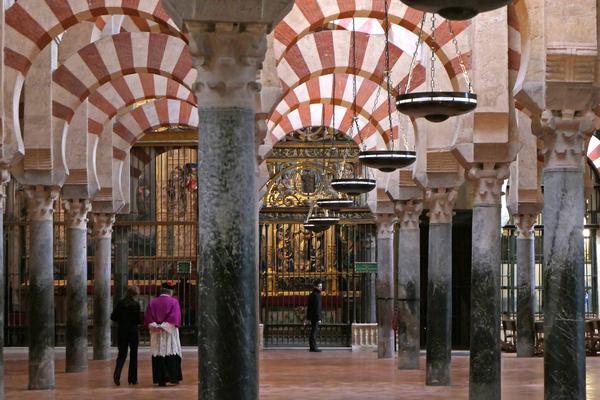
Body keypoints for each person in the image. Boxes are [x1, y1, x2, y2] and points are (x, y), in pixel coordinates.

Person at [144, 281, 183, 386]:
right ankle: (173, 378)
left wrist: (156, 326)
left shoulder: (152, 302)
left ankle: (161, 379)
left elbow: (148, 317)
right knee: (171, 352)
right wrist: (165, 326)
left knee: (159, 354)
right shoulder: (174, 302)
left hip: (156, 332)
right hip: (169, 332)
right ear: (170, 292)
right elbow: (175, 317)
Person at [111, 285, 141, 386]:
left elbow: (113, 316)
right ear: (135, 294)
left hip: (122, 332)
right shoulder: (136, 305)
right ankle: (132, 379)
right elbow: (138, 320)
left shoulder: (120, 303)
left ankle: (117, 375)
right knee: (134, 355)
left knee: (122, 355)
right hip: (133, 332)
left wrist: (122, 321)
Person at [306, 279, 323, 352]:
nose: (321, 287)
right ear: (315, 286)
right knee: (314, 332)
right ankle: (313, 347)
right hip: (315, 316)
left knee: (313, 331)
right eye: (319, 286)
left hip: (312, 316)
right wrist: (319, 318)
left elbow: (310, 307)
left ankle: (312, 346)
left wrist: (308, 317)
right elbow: (317, 308)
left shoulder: (313, 294)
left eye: (321, 286)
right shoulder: (317, 295)